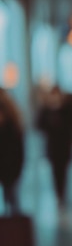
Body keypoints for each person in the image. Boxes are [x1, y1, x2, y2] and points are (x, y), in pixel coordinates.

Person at [36, 85, 72, 206]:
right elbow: (39, 126)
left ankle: (62, 192)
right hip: (52, 146)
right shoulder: (46, 110)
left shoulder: (67, 108)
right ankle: (58, 193)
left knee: (64, 170)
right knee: (55, 171)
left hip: (65, 145)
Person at [0, 87, 25, 215]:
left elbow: (18, 149)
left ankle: (14, 230)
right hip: (8, 166)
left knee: (12, 197)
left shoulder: (11, 126)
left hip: (10, 167)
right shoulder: (13, 122)